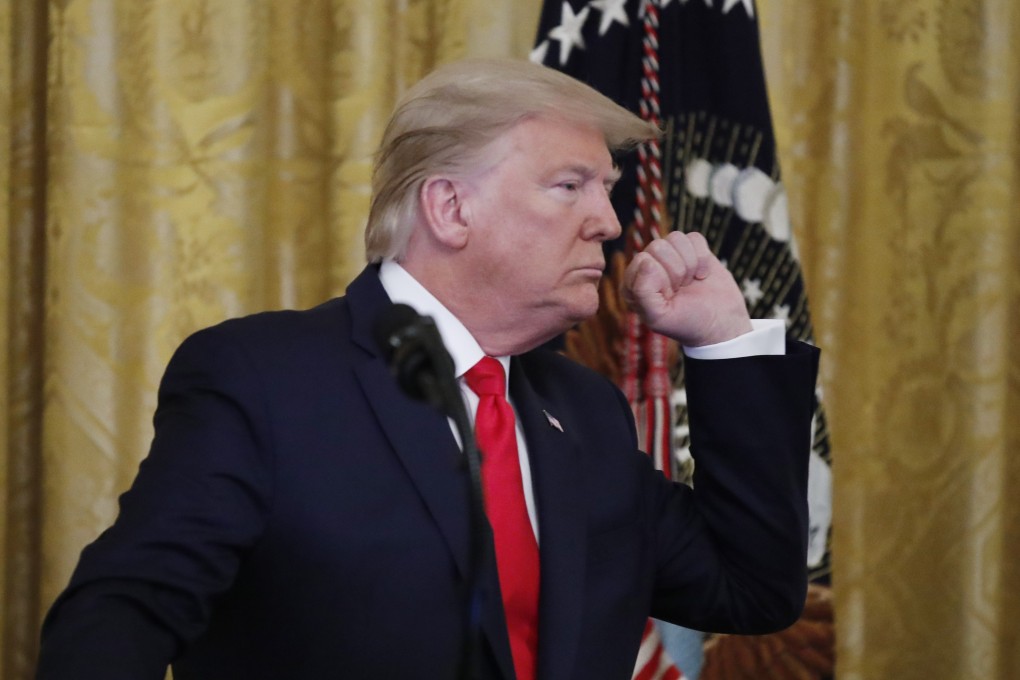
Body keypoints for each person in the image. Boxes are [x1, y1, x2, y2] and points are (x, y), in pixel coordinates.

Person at [36, 58, 819, 680]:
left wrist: (723, 342)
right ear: (450, 208)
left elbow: (750, 590)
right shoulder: (263, 379)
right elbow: (126, 608)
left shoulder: (584, 411)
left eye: (607, 191)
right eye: (570, 186)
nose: (610, 224)